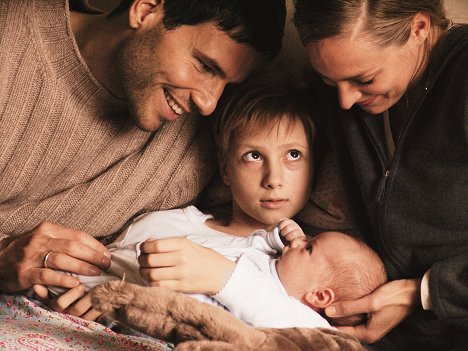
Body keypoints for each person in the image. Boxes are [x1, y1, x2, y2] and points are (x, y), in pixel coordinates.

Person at [0, 0, 286, 322]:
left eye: (228, 84)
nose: (209, 103)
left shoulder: (206, 141)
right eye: (205, 67)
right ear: (146, 9)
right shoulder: (11, 41)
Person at [47, 69, 387, 329]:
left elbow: (316, 338)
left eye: (294, 155)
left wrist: (225, 277)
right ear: (225, 169)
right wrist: (74, 294)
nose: (274, 179)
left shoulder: (296, 275)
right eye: (254, 156)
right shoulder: (165, 222)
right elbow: (100, 268)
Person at [291, 0, 468, 350]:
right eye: (330, 80)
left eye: (365, 79)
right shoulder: (338, 92)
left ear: (418, 28)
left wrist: (424, 292)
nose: (344, 101)